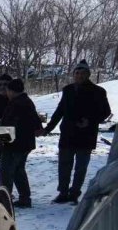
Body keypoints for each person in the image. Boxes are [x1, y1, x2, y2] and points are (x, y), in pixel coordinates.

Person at [38, 60, 112, 204]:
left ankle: (74, 193)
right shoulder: (68, 90)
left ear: (88, 75)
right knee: (64, 165)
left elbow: (105, 111)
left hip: (86, 135)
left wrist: (90, 121)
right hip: (68, 133)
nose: (79, 75)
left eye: (82, 73)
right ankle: (63, 192)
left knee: (80, 167)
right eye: (76, 73)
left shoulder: (97, 91)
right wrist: (47, 129)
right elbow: (60, 111)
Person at [0, 78, 42, 208]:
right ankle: (24, 198)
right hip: (26, 143)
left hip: (14, 144)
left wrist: (0, 138)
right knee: (19, 171)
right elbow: (36, 123)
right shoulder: (27, 102)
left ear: (11, 91)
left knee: (7, 173)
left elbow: (9, 125)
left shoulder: (15, 104)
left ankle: (4, 201)